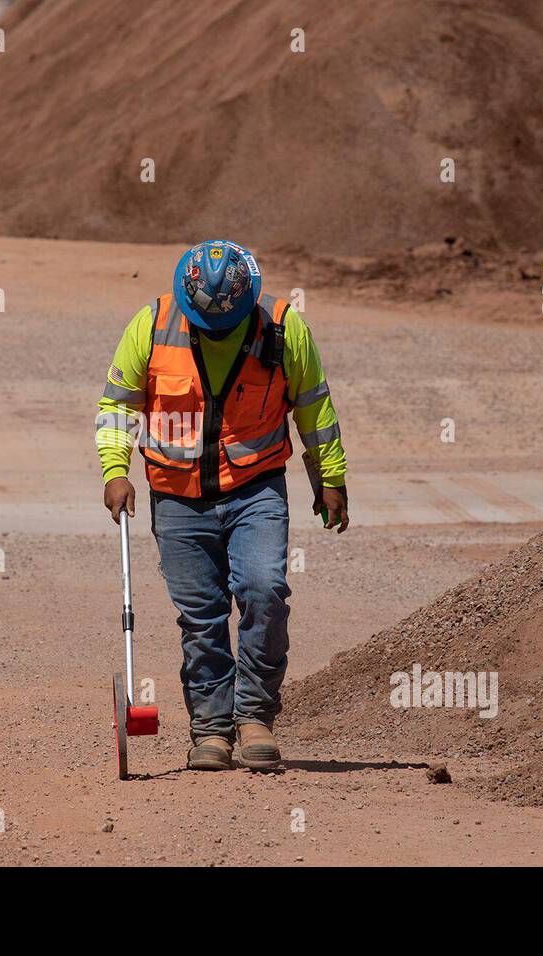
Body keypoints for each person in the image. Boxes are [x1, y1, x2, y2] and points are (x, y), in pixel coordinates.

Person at [95, 240, 348, 770]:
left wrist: (330, 476)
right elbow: (117, 406)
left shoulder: (282, 328)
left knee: (265, 591)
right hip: (176, 496)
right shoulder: (152, 324)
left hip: (255, 487)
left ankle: (255, 715)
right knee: (202, 617)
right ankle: (210, 729)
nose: (213, 332)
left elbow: (313, 403)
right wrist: (115, 472)